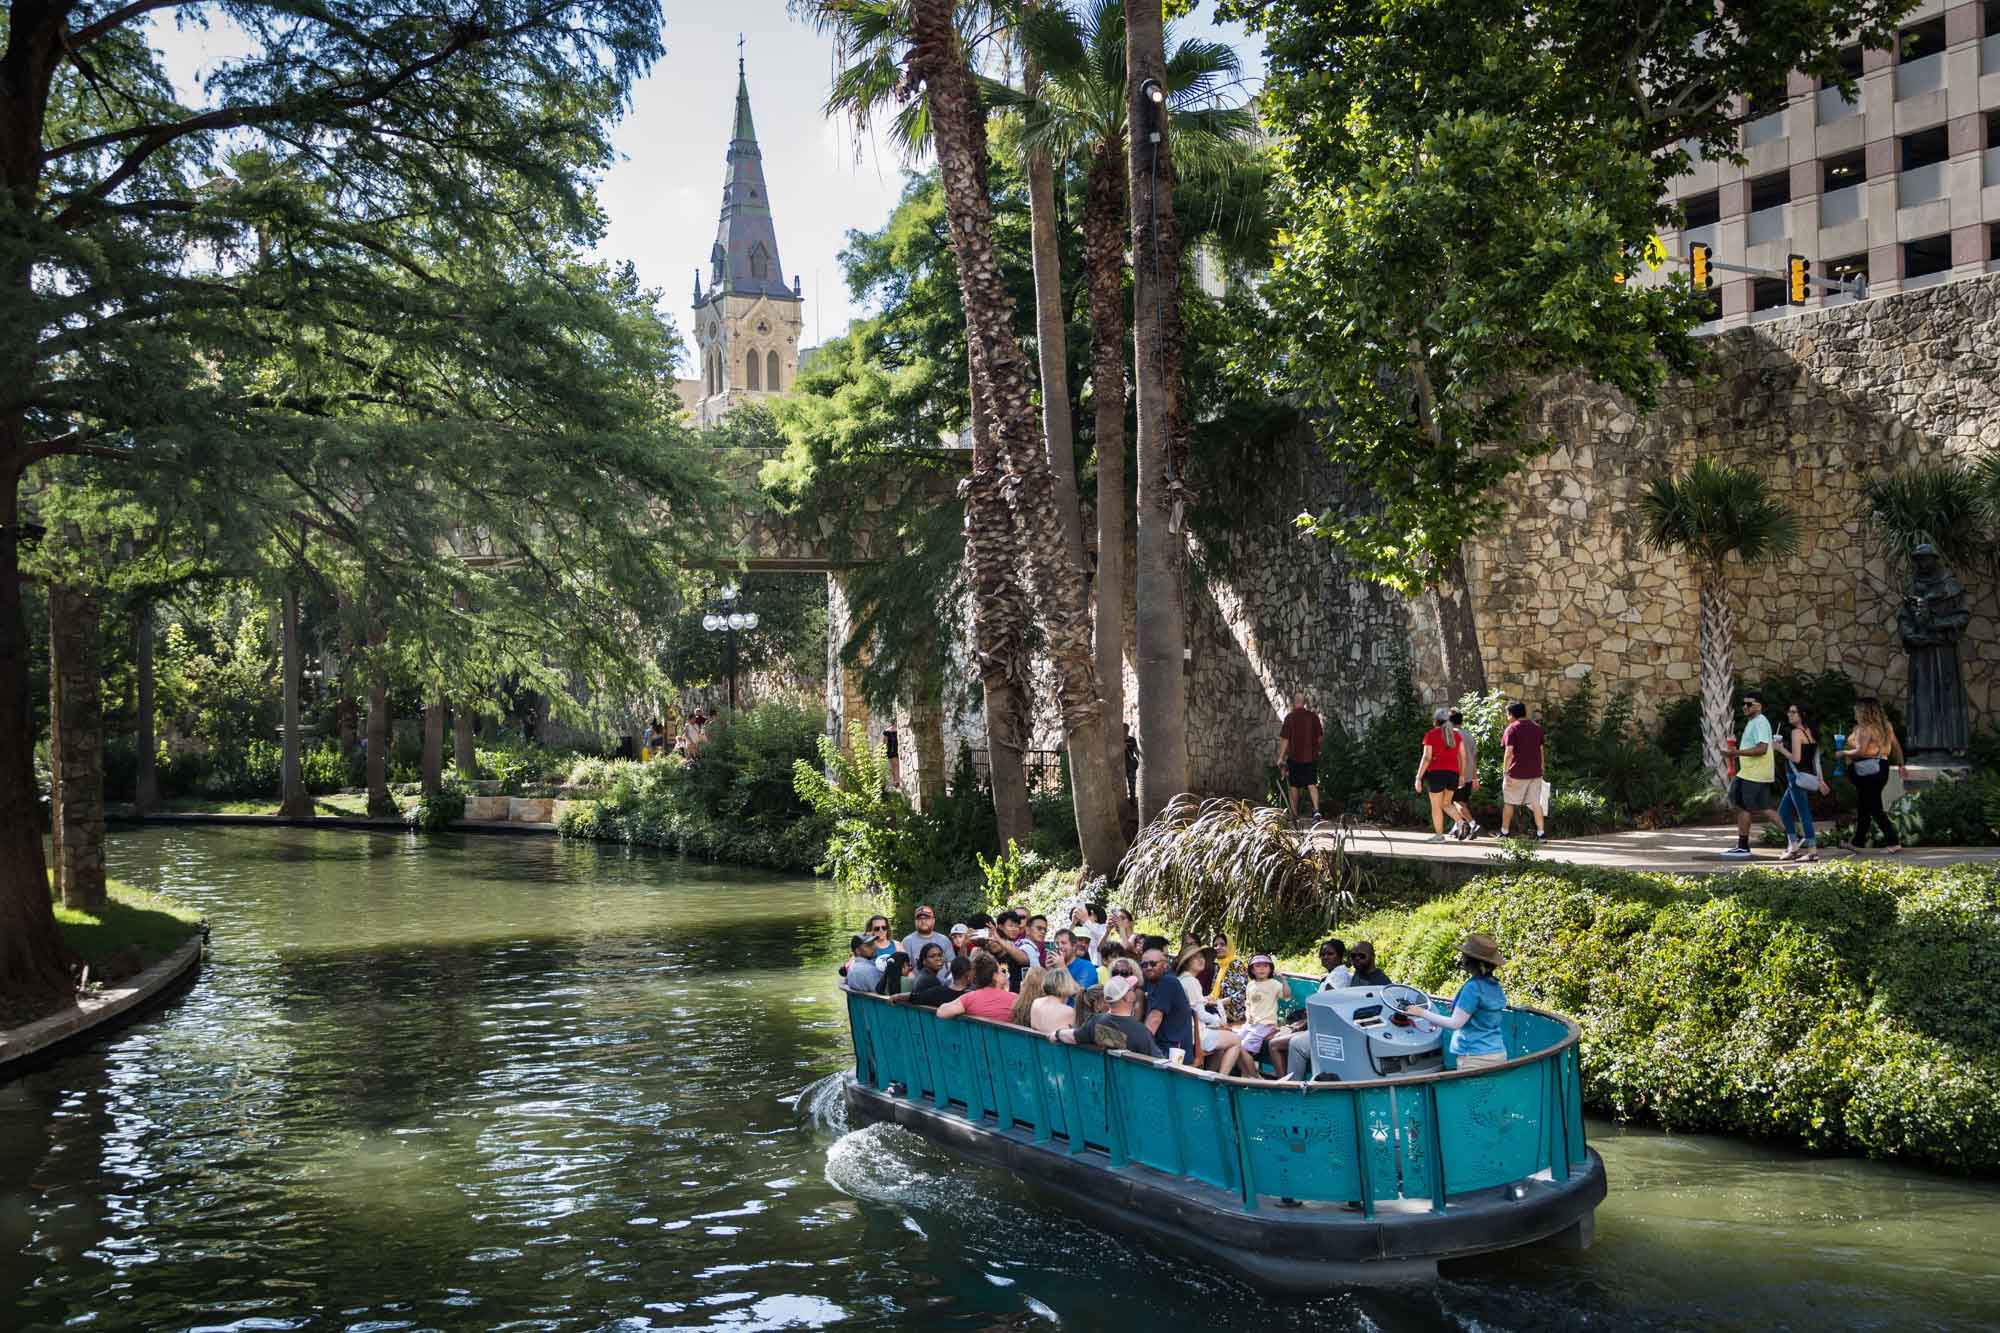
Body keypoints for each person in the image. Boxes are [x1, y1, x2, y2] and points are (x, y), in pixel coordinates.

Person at [1396, 933, 1509, 1070]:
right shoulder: (1494, 984)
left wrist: (1420, 1012)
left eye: (1464, 955)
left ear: (1469, 960)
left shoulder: (1472, 987)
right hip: (1498, 1052)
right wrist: (1460, 1009)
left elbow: (1455, 1023)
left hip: (1475, 1057)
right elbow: (1484, 1014)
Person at [1839, 697, 1907, 853]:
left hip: (1868, 770)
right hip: (1880, 767)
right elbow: (1896, 747)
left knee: (1874, 807)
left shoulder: (1866, 728)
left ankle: (1893, 842)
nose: (1855, 713)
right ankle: (1858, 842)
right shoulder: (1885, 727)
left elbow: (1861, 752)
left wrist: (1842, 753)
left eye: (1857, 710)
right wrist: (1901, 764)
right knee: (1864, 806)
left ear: (1864, 712)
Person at [1272, 939, 1349, 1077]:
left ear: (1340, 956)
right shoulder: (1336, 975)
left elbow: (1325, 1007)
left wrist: (1301, 1026)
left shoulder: (1337, 977)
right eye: (1322, 954)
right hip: (1322, 1027)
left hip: (1326, 1032)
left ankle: (1290, 1085)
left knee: (1276, 1044)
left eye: (1330, 954)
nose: (1325, 957)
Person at [1722, 691, 1785, 859]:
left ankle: (1742, 846)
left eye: (1749, 704)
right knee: (1766, 808)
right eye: (1744, 704)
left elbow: (1762, 748)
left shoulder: (1759, 722)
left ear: (1759, 706)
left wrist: (1736, 753)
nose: (1745, 707)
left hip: (1752, 774)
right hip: (1757, 773)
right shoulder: (1754, 722)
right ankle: (1796, 838)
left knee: (1741, 805)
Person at [1178, 947, 1250, 1075]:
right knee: (1235, 1040)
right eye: (1196, 957)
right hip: (1196, 1035)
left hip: (1187, 1032)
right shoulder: (1191, 981)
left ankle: (1210, 1074)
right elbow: (1200, 1014)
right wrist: (1218, 1021)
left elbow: (1193, 1005)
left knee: (1222, 1043)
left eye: (1202, 957)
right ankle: (1221, 1077)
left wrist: (1204, 1000)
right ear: (1187, 961)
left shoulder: (1182, 979)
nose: (1201, 960)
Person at [1052, 974, 1162, 1056]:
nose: (1135, 992)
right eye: (1131, 990)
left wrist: (1057, 1034)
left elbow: (1073, 1036)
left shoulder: (1095, 1023)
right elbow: (1158, 1061)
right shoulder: (1140, 1032)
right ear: (1129, 997)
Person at [1776, 703, 1821, 862]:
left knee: (1804, 814)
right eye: (1789, 711)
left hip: (1796, 779)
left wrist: (1780, 749)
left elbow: (1796, 758)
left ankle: (1812, 851)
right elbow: (1815, 760)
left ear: (1802, 715)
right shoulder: (1811, 732)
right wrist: (1821, 780)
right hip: (1801, 777)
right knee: (1782, 812)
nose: (1789, 714)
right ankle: (1794, 847)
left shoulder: (1796, 733)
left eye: (1793, 712)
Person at [1414, 707, 1464, 841]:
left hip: (1436, 774)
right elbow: (1462, 757)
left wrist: (1418, 777)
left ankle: (1439, 835)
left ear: (1436, 721)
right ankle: (1460, 822)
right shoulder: (1456, 736)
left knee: (1436, 807)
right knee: (1446, 804)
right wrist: (1462, 775)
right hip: (1453, 774)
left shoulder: (1430, 735)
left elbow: (1427, 758)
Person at [1499, 702, 1547, 840]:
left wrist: (1505, 772)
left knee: (1509, 802)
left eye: (1507, 714)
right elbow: (1541, 750)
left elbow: (1509, 752)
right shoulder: (1537, 728)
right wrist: (1542, 768)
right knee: (1536, 803)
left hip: (1516, 773)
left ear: (1511, 714)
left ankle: (1505, 832)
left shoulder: (1511, 729)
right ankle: (1541, 833)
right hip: (1535, 773)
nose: (1507, 717)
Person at [1140, 946, 1197, 1062]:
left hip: (1173, 1051)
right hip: (1162, 1044)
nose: (1148, 968)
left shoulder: (1168, 982)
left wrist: (1137, 1045)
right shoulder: (1151, 980)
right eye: (1144, 965)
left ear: (1165, 964)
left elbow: (1154, 1019)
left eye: (1153, 963)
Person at [1275, 690, 1325, 820]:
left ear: (1294, 703)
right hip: (1310, 757)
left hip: (1295, 757)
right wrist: (1318, 750)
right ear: (1304, 703)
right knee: (1311, 783)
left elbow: (1285, 739)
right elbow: (1320, 737)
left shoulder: (1290, 718)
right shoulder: (1313, 717)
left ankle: (1294, 814)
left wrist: (1281, 757)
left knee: (1294, 785)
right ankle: (1316, 810)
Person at [1239, 955, 1285, 1078]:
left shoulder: (1274, 984)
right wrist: (1248, 1015)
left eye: (1265, 966)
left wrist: (1283, 981)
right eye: (1258, 966)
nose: (1261, 969)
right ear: (1252, 970)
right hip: (1250, 1024)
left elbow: (1286, 996)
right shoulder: (1250, 985)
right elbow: (1248, 1003)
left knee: (1242, 1048)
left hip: (1266, 1024)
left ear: (1270, 969)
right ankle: (1245, 1074)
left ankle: (1255, 1077)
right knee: (1234, 1044)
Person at [937, 953, 1019, 1022]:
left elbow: (941, 1012)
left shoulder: (969, 998)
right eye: (1001, 971)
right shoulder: (1015, 998)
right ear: (995, 976)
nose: (1004, 974)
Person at [1446, 708, 1482, 841]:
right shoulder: (1469, 736)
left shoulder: (1450, 736)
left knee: (1455, 802)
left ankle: (1473, 824)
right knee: (1461, 802)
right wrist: (1475, 777)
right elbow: (1474, 757)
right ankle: (1458, 827)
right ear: (1462, 721)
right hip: (1468, 773)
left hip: (1456, 773)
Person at [1027, 966, 1081, 1035]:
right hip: (1054, 1045)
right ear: (1067, 985)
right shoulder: (1069, 1011)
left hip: (1036, 1044)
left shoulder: (1036, 1002)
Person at [991, 911, 1033, 989]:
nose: (1015, 929)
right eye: (1010, 926)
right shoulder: (991, 943)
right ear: (1000, 926)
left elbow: (1024, 960)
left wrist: (999, 940)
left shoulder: (1023, 945)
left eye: (1017, 926)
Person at [1123, 724, 1142, 802]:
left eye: (1126, 730)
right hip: (1122, 765)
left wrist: (1140, 761)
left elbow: (1136, 751)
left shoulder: (1132, 740)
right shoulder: (1117, 740)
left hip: (1130, 765)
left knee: (1132, 784)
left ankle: (1132, 800)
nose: (1124, 732)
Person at [883, 720, 902, 791]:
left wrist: (883, 751)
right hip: (895, 750)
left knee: (893, 766)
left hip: (889, 751)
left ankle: (895, 781)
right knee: (896, 766)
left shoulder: (886, 731)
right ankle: (897, 781)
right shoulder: (898, 730)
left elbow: (884, 742)